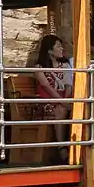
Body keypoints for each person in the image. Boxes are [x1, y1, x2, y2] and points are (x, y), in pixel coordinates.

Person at [33, 34, 74, 164]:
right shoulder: (39, 68)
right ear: (50, 50)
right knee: (61, 110)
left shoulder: (66, 65)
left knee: (75, 109)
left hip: (63, 100)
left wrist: (66, 100)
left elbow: (69, 86)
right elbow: (47, 87)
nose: (62, 49)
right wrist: (63, 102)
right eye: (58, 46)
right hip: (46, 102)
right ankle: (61, 148)